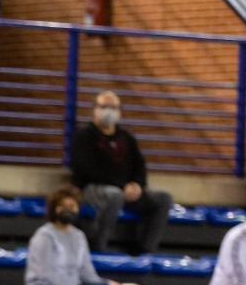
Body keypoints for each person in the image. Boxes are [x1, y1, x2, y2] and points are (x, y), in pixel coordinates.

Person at [70, 91, 173, 254]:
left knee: (163, 199)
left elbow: (140, 165)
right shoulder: (83, 137)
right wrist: (121, 186)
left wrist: (137, 185)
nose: (109, 111)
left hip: (126, 191)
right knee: (113, 195)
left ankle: (145, 250)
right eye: (104, 107)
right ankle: (98, 246)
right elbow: (85, 169)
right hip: (93, 189)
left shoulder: (126, 138)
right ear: (95, 110)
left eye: (113, 107)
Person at [24, 184, 121, 285]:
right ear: (54, 209)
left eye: (72, 206)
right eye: (63, 206)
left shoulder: (79, 236)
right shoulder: (43, 236)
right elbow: (48, 276)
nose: (68, 210)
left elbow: (87, 273)